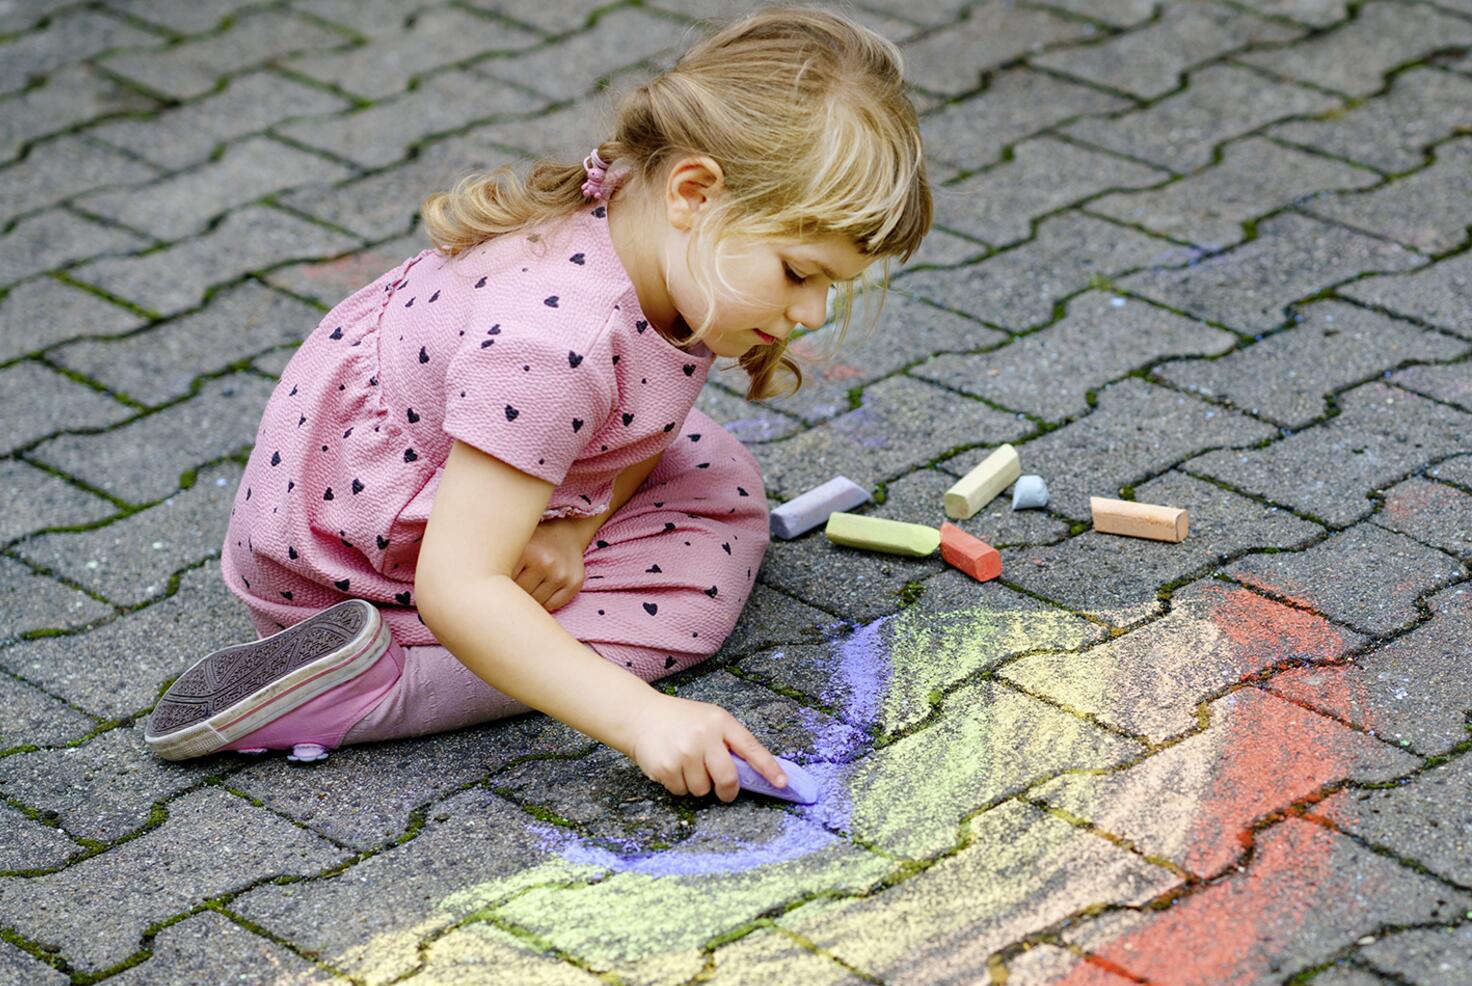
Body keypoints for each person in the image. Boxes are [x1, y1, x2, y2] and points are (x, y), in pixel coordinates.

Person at [143, 6, 932, 803]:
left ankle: (480, 611)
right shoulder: (557, 344)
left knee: (713, 469)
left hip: (392, 479)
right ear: (694, 190)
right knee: (690, 594)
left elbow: (633, 422)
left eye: (833, 283)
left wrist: (578, 525)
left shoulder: (654, 230)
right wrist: (640, 718)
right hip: (351, 560)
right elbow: (460, 586)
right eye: (800, 273)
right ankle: (368, 685)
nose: (813, 313)